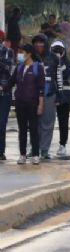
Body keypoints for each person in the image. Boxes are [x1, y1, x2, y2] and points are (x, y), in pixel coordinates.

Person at [12, 43, 43, 165]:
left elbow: (41, 87)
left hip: (32, 103)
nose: (20, 54)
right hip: (20, 103)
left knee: (34, 129)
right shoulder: (19, 67)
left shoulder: (37, 68)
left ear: (29, 53)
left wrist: (41, 104)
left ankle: (35, 154)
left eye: (22, 52)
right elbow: (11, 82)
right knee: (22, 130)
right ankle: (22, 154)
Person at [33, 33, 61, 160]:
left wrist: (59, 95)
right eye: (36, 42)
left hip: (50, 94)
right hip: (33, 95)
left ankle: (44, 150)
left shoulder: (54, 58)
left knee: (47, 123)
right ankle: (34, 149)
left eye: (41, 42)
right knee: (34, 123)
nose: (39, 45)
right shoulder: (31, 57)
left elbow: (58, 77)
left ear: (46, 44)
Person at [50, 40, 70, 157]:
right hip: (50, 94)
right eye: (55, 50)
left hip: (64, 96)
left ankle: (63, 144)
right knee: (46, 121)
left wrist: (59, 63)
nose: (58, 52)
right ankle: (42, 145)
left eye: (60, 50)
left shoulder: (67, 62)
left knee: (63, 121)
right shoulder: (47, 61)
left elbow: (67, 73)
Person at [0, 31, 14, 160]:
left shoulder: (8, 52)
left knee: (2, 123)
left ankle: (1, 151)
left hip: (4, 93)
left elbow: (8, 69)